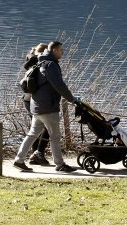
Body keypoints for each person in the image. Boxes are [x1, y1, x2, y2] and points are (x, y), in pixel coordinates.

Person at [13, 40, 81, 173]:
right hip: (48, 107)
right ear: (54, 50)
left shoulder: (40, 61)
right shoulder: (51, 65)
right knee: (55, 137)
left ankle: (19, 160)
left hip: (36, 106)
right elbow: (59, 85)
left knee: (32, 134)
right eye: (61, 50)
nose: (63, 52)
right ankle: (60, 165)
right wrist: (72, 99)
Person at [22, 43, 51, 166]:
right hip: (36, 100)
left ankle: (35, 155)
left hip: (28, 100)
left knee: (36, 128)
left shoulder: (31, 62)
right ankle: (38, 153)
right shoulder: (39, 64)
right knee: (47, 127)